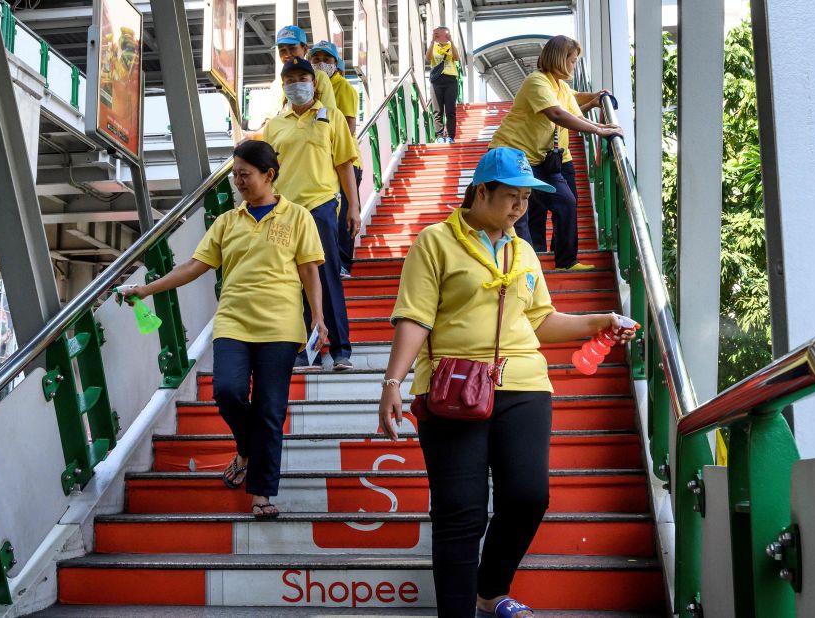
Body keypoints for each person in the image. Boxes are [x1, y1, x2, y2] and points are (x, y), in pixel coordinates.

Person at [377, 147, 636, 618]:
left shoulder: (523, 252)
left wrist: (601, 320)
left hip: (524, 384)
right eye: (511, 197)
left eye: (525, 198)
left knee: (528, 495)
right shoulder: (435, 241)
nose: (520, 207)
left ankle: (490, 590)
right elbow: (415, 317)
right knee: (461, 511)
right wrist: (393, 383)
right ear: (481, 191)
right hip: (452, 386)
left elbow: (540, 322)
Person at [119, 140, 328, 519]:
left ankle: (262, 495)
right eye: (235, 174)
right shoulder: (227, 222)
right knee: (228, 391)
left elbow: (309, 271)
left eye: (244, 174)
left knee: (269, 409)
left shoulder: (298, 218)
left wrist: (318, 317)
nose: (237, 181)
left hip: (280, 327)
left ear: (269, 175)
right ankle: (247, 451)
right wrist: (146, 289)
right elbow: (192, 267)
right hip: (233, 321)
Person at [489, 35, 622, 271]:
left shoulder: (559, 86)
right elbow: (557, 115)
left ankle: (566, 262)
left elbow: (574, 109)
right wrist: (600, 130)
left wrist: (598, 102)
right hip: (513, 155)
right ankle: (525, 266)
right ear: (561, 60)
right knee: (518, 211)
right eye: (572, 60)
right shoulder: (536, 82)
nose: (574, 66)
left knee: (566, 202)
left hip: (540, 158)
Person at [262, 57, 360, 371]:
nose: (296, 84)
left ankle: (340, 350)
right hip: (284, 211)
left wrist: (354, 208)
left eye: (302, 77)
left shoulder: (332, 118)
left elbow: (345, 165)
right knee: (292, 282)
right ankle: (304, 350)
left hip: (321, 207)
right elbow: (265, 173)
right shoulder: (274, 125)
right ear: (283, 85)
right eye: (289, 79)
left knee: (327, 277)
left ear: (313, 82)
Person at [309, 39, 363, 278]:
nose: (321, 64)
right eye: (316, 59)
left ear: (337, 64)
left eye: (327, 60)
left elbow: (349, 125)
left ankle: (343, 262)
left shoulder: (343, 87)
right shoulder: (314, 87)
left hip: (345, 160)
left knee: (344, 215)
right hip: (326, 162)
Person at [426, 26, 460, 144]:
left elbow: (457, 58)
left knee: (450, 110)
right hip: (437, 81)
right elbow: (428, 58)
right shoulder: (433, 46)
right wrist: (432, 41)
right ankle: (439, 136)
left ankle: (451, 136)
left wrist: (451, 41)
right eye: (438, 34)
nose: (441, 36)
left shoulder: (451, 46)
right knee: (437, 110)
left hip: (451, 80)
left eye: (444, 34)